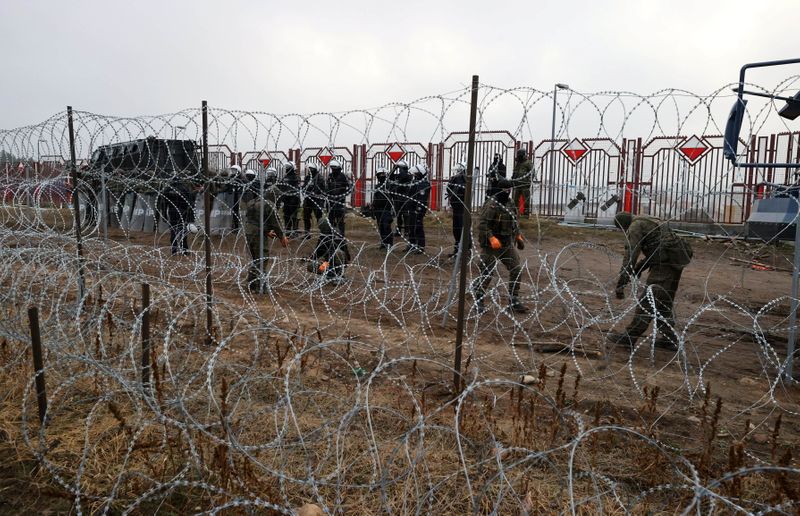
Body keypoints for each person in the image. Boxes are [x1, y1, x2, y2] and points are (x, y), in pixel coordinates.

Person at [607, 212, 693, 350]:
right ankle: (669, 339)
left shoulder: (635, 227)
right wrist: (639, 268)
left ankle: (629, 337)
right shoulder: (647, 219)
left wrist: (621, 283)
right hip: (675, 260)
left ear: (623, 226)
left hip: (664, 265)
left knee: (647, 301)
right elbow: (657, 248)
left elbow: (631, 255)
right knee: (663, 303)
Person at [472, 178, 528, 315]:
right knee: (487, 273)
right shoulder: (491, 204)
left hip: (506, 244)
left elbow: (514, 221)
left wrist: (518, 236)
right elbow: (483, 224)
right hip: (491, 246)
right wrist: (491, 238)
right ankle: (478, 300)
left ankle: (513, 300)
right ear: (499, 190)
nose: (507, 192)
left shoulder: (510, 203)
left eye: (509, 190)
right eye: (505, 190)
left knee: (516, 269)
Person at [241, 167, 288, 292]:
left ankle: (251, 283)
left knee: (256, 258)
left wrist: (267, 231)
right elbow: (276, 223)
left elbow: (254, 219)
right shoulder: (269, 205)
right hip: (257, 234)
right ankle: (259, 285)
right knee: (262, 258)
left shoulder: (254, 201)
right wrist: (282, 236)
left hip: (249, 232)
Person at [310, 215, 351, 285]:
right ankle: (330, 274)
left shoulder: (330, 235)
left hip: (338, 260)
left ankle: (337, 275)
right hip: (330, 262)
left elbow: (319, 250)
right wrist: (311, 259)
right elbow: (319, 250)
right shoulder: (331, 233)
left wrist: (313, 258)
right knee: (311, 265)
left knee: (336, 253)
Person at [161, 177, 195, 255]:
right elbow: (190, 203)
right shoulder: (184, 188)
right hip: (183, 212)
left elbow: (164, 204)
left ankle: (174, 250)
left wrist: (164, 215)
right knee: (183, 231)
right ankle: (184, 250)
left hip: (172, 211)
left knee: (173, 231)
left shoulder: (168, 189)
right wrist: (191, 216)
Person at [408, 163, 431, 254]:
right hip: (412, 207)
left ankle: (420, 246)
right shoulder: (416, 182)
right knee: (411, 226)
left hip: (418, 209)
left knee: (418, 227)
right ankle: (412, 244)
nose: (414, 176)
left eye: (416, 174)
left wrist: (419, 209)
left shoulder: (424, 184)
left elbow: (422, 198)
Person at [445, 162, 467, 257]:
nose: (456, 173)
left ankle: (465, 251)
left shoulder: (464, 182)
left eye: (458, 171)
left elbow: (459, 192)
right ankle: (457, 249)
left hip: (462, 209)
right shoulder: (455, 181)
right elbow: (449, 190)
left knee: (461, 229)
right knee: (456, 230)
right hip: (456, 208)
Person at [325, 159, 350, 237]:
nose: (333, 170)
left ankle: (341, 235)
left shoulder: (343, 176)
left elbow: (350, 187)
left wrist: (343, 194)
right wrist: (327, 194)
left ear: (339, 168)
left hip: (339, 202)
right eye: (332, 168)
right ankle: (332, 235)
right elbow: (327, 187)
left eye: (334, 168)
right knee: (331, 220)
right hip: (331, 202)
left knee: (340, 220)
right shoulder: (330, 176)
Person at [372, 167, 394, 249]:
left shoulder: (389, 185)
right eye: (379, 174)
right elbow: (375, 197)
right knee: (380, 226)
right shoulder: (377, 186)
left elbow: (393, 197)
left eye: (383, 174)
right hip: (378, 209)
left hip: (387, 208)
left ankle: (389, 243)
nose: (381, 176)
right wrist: (373, 207)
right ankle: (383, 242)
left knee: (386, 226)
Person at [389, 160, 412, 238]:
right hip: (397, 198)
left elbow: (403, 176)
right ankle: (398, 231)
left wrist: (400, 168)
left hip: (405, 198)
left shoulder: (408, 175)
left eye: (400, 168)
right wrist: (393, 169)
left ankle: (406, 231)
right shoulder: (398, 176)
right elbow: (389, 177)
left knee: (406, 215)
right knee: (398, 216)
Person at [279, 161, 301, 237]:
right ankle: (288, 231)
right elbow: (281, 186)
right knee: (286, 216)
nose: (286, 169)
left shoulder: (296, 177)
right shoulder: (285, 177)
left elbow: (295, 188)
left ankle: (295, 231)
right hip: (286, 199)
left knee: (294, 216)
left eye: (288, 168)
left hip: (293, 199)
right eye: (286, 168)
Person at [302, 164, 325, 235]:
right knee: (306, 216)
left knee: (319, 217)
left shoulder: (320, 178)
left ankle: (323, 232)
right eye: (309, 169)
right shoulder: (307, 177)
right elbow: (304, 187)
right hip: (308, 199)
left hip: (317, 200)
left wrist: (315, 193)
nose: (310, 170)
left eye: (311, 169)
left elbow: (322, 189)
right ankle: (307, 233)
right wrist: (304, 191)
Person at [511, 148, 533, 216]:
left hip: (525, 184)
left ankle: (526, 213)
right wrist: (513, 179)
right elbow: (515, 172)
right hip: (517, 184)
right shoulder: (518, 163)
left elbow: (532, 172)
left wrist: (528, 180)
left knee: (526, 199)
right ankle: (515, 213)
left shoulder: (528, 162)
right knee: (515, 200)